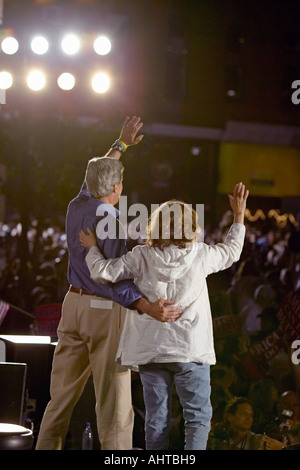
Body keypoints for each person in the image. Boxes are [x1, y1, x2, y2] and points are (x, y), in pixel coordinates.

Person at [35, 116, 182, 451]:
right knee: (114, 408)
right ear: (117, 189)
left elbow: (95, 179)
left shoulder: (77, 206)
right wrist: (147, 306)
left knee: (58, 401)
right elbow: (115, 280)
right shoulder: (112, 220)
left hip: (71, 307)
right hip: (104, 312)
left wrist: (121, 145)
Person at [79, 182, 249, 450]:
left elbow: (104, 273)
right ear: (190, 226)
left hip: (152, 351)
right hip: (189, 350)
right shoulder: (200, 254)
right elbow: (231, 252)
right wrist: (238, 216)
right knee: (197, 417)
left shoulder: (142, 256)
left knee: (156, 419)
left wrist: (91, 248)